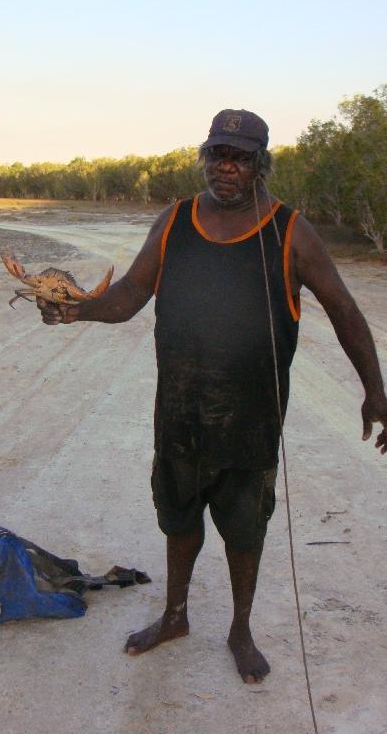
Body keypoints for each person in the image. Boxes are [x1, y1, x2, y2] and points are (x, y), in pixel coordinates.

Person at [38, 109, 387, 684]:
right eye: (217, 155)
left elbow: (346, 310)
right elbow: (128, 295)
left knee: (244, 530)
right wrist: (75, 308)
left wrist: (375, 390)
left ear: (260, 165)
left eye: (240, 158)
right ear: (204, 157)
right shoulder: (174, 221)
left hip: (249, 423)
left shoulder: (290, 231)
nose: (225, 168)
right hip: (179, 413)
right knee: (178, 520)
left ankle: (239, 629)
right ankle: (175, 615)